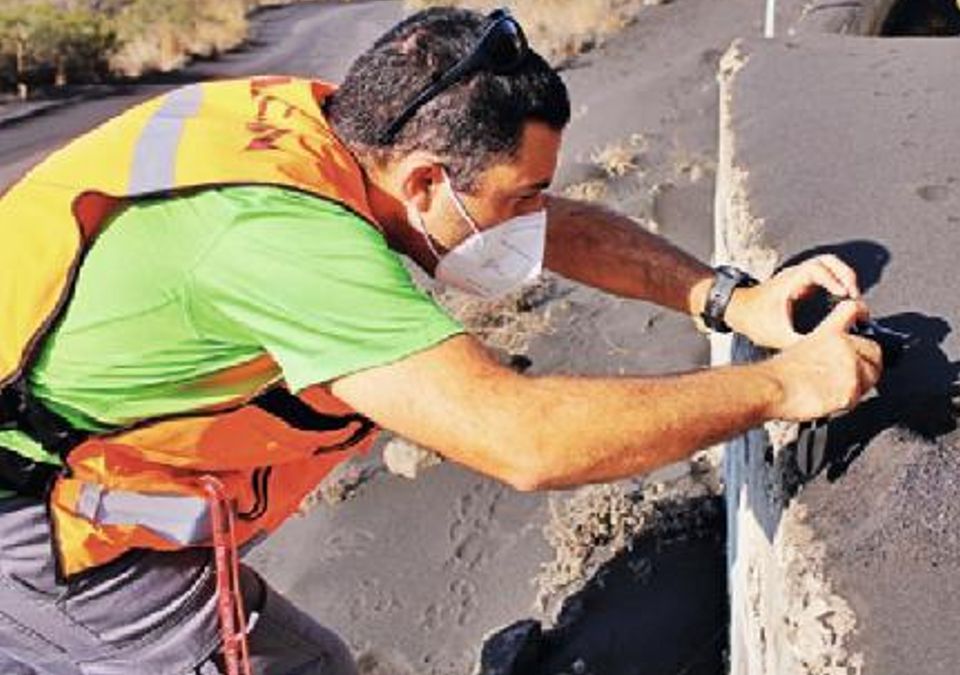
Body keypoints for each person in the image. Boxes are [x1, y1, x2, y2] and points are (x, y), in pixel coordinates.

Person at [0, 7, 882, 674]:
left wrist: (730, 299)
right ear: (425, 182)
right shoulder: (283, 243)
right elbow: (523, 439)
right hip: (48, 531)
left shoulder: (329, 130)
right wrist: (784, 386)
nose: (533, 220)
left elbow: (546, 224)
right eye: (522, 196)